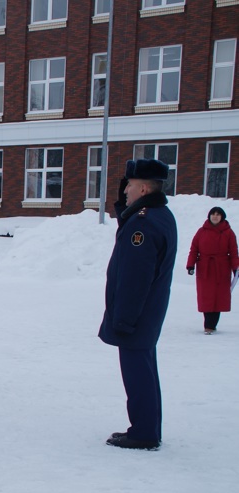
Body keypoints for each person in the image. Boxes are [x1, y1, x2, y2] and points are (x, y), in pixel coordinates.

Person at [99, 159, 177, 451]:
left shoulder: (143, 224)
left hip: (136, 317)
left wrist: (123, 319)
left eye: (129, 186)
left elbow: (135, 278)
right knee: (144, 370)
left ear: (144, 188)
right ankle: (147, 427)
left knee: (137, 375)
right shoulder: (159, 215)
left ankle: (143, 432)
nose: (126, 192)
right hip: (147, 314)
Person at [186, 206, 239, 334]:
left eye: (218, 214)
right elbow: (194, 249)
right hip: (205, 268)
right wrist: (191, 265)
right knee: (206, 296)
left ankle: (212, 324)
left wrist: (236, 269)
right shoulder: (201, 232)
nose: (215, 216)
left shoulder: (229, 233)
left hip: (221, 268)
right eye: (213, 214)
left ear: (222, 217)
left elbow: (233, 252)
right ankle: (208, 324)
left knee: (219, 297)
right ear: (209, 216)